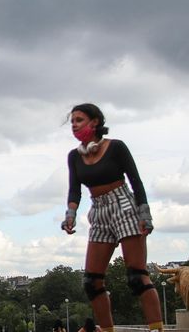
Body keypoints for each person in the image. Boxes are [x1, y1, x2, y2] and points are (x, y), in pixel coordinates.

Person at [61, 103, 162, 332]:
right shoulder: (74, 157)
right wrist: (71, 214)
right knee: (92, 281)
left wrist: (144, 213)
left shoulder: (116, 147)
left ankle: (156, 328)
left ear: (95, 122)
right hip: (98, 209)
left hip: (123, 204)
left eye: (79, 120)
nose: (74, 126)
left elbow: (136, 180)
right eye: (72, 122)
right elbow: (74, 189)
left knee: (137, 276)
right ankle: (106, 330)